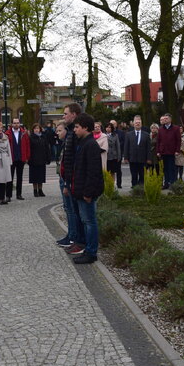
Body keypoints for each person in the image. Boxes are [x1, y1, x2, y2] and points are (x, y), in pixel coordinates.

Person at [65, 113, 104, 264]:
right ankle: (88, 249)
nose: (74, 130)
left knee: (89, 222)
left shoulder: (91, 145)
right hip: (80, 190)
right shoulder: (83, 143)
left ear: (85, 128)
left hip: (86, 192)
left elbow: (93, 172)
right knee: (86, 220)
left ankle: (91, 252)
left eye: (77, 127)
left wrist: (88, 193)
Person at [60, 103, 83, 248]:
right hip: (66, 176)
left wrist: (69, 180)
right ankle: (72, 236)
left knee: (75, 211)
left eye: (65, 113)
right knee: (69, 209)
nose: (63, 116)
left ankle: (76, 240)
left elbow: (74, 158)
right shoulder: (70, 131)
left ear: (73, 114)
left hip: (71, 178)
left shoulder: (75, 133)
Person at [55, 120, 80, 248]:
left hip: (66, 180)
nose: (57, 133)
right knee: (67, 208)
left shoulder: (70, 143)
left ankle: (72, 237)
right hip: (63, 178)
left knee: (70, 210)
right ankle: (70, 234)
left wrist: (66, 183)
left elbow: (69, 164)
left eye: (59, 130)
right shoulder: (64, 143)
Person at [123, 116, 151, 187]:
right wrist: (125, 157)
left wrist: (148, 158)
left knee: (142, 174)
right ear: (134, 124)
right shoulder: (128, 134)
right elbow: (126, 147)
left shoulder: (146, 135)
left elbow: (148, 148)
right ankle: (134, 187)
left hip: (143, 159)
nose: (137, 124)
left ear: (141, 124)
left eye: (139, 123)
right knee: (134, 174)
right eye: (136, 123)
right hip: (132, 158)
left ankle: (141, 187)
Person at [156, 113, 181, 189]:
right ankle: (166, 183)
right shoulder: (160, 129)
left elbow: (178, 140)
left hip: (172, 152)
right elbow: (158, 141)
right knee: (165, 169)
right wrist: (158, 151)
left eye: (166, 118)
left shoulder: (176, 128)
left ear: (170, 119)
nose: (165, 120)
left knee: (172, 168)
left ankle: (173, 183)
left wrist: (177, 150)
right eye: (164, 118)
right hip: (163, 152)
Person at [8, 118, 30, 200]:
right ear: (12, 124)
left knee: (19, 177)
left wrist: (27, 157)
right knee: (10, 178)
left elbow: (27, 145)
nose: (16, 124)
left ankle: (19, 194)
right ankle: (8, 195)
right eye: (14, 123)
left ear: (20, 123)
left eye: (17, 123)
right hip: (12, 158)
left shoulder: (24, 133)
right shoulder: (8, 133)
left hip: (21, 158)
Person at [28, 123, 50, 197]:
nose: (37, 130)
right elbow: (29, 149)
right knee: (34, 176)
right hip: (33, 159)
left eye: (38, 128)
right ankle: (35, 190)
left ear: (40, 129)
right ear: (33, 130)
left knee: (41, 176)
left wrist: (48, 157)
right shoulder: (31, 137)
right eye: (35, 128)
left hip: (42, 159)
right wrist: (29, 159)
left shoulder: (43, 137)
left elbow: (47, 147)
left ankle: (40, 190)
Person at [110, 119, 126, 188]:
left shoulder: (121, 132)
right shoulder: (107, 132)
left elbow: (123, 141)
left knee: (118, 170)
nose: (113, 125)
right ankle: (110, 184)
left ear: (116, 125)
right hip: (110, 155)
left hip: (118, 154)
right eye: (111, 124)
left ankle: (119, 184)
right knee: (110, 170)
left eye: (114, 124)